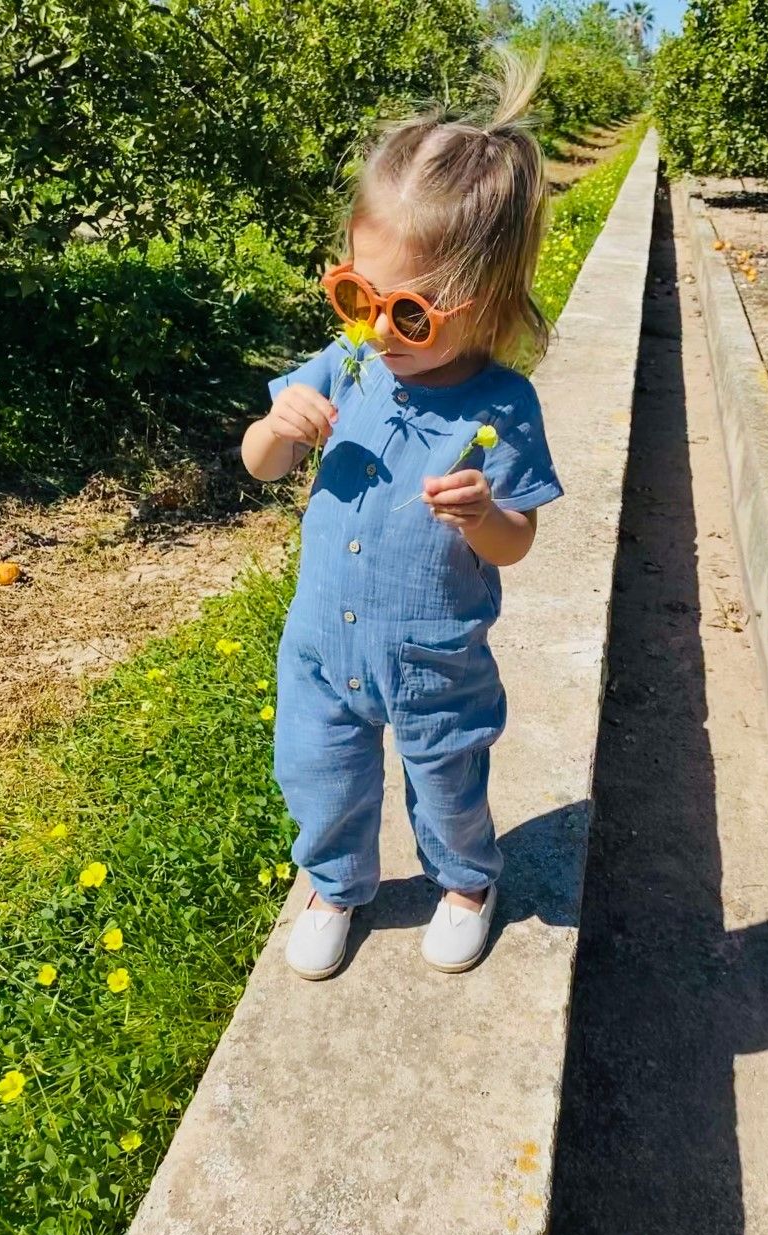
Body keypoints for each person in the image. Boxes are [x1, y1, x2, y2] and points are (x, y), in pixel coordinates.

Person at [241, 52, 563, 980]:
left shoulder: (502, 408)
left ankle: (465, 884)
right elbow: (262, 465)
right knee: (320, 776)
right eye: (357, 295)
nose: (378, 328)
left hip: (434, 658)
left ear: (483, 302)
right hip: (319, 645)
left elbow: (517, 542)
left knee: (448, 781)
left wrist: (483, 515)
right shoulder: (344, 363)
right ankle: (335, 885)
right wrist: (276, 431)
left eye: (410, 314)